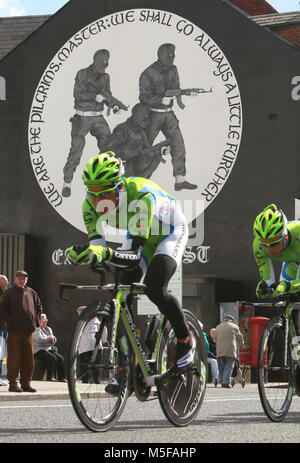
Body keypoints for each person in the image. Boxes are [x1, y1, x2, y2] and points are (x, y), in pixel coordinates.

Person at [66, 152, 196, 386]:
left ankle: (185, 340)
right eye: (92, 194)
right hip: (140, 233)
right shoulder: (89, 206)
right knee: (120, 296)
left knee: (155, 288)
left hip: (170, 231)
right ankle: (129, 364)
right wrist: (89, 256)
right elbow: (100, 249)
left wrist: (104, 254)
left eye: (104, 193)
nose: (98, 201)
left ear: (120, 187)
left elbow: (134, 256)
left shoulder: (140, 197)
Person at [62, 49, 126, 198]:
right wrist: (94, 97)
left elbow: (107, 94)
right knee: (76, 149)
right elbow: (77, 94)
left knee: (110, 146)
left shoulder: (105, 77)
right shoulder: (82, 74)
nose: (103, 68)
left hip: (98, 118)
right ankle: (67, 183)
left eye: (105, 65)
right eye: (101, 64)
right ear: (95, 61)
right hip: (82, 117)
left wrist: (114, 106)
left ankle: (112, 182)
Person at [139, 43, 197, 191]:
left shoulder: (173, 69)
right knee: (145, 148)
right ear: (161, 55)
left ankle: (180, 180)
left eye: (173, 55)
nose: (171, 58)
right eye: (168, 55)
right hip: (153, 115)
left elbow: (176, 89)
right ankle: (137, 182)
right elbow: (144, 97)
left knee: (178, 146)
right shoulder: (148, 73)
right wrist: (160, 100)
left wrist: (186, 93)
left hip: (168, 115)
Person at [0, 270, 42, 392]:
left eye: (24, 278)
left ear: (26, 280)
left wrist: (36, 321)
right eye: (19, 278)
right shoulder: (8, 293)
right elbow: (2, 309)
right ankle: (13, 384)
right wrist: (10, 321)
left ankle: (26, 384)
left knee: (29, 359)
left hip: (28, 331)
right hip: (14, 331)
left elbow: (39, 307)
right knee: (14, 358)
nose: (21, 280)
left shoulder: (31, 292)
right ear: (15, 279)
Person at [103, 103, 170, 178]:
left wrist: (160, 149)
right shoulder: (122, 130)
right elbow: (106, 150)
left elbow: (146, 148)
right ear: (137, 115)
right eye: (145, 116)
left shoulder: (140, 131)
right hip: (120, 168)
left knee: (154, 155)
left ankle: (138, 184)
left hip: (133, 164)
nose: (148, 120)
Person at [253, 203, 300, 301]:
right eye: (265, 245)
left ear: (285, 236)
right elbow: (268, 280)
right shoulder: (258, 245)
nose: (270, 250)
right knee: (285, 301)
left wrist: (287, 287)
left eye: (274, 244)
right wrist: (265, 286)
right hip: (294, 260)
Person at [33, 314, 67, 382]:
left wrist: (52, 339)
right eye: (44, 319)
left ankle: (61, 377)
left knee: (60, 358)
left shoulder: (49, 329)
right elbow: (40, 340)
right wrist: (50, 338)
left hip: (49, 349)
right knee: (52, 358)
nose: (46, 320)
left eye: (46, 319)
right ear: (39, 321)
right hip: (39, 350)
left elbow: (53, 340)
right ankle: (50, 377)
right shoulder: (36, 329)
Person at [215, 315, 244, 388]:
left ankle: (221, 380)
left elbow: (215, 338)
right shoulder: (234, 327)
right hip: (230, 350)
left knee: (221, 367)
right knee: (229, 366)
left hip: (220, 350)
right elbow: (240, 338)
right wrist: (241, 345)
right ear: (231, 320)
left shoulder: (218, 327)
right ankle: (226, 382)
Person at [200, 323, 219, 387]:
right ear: (210, 332)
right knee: (214, 361)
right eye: (213, 332)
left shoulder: (217, 340)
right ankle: (215, 379)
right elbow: (207, 350)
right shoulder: (207, 338)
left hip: (212, 356)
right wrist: (215, 356)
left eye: (215, 332)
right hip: (206, 356)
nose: (214, 333)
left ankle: (220, 379)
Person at [0, 275, 8, 386]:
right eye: (5, 281)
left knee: (2, 354)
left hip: (4, 328)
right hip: (0, 328)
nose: (7, 283)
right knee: (0, 353)